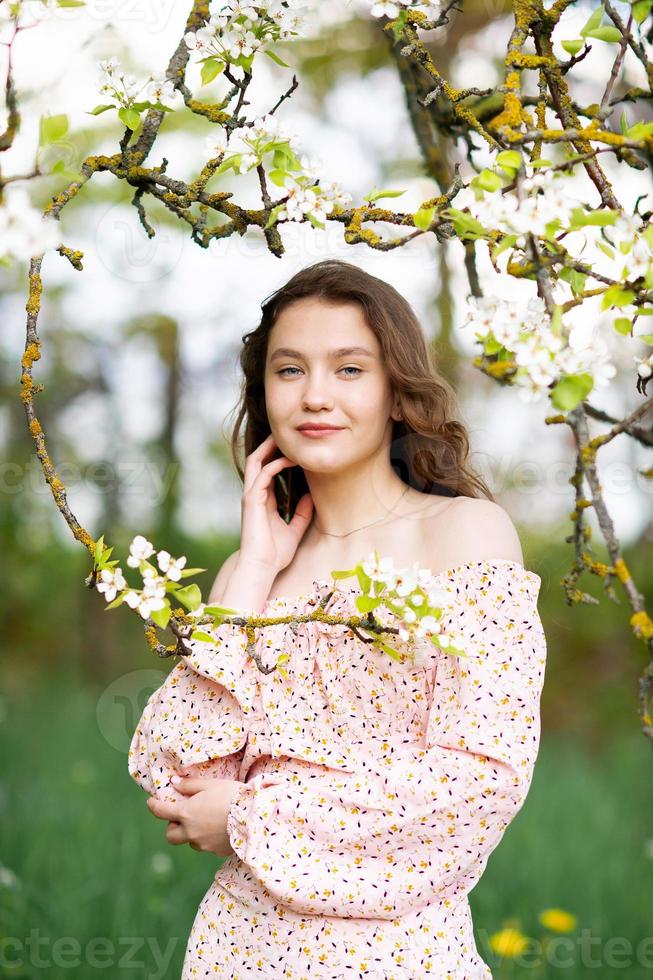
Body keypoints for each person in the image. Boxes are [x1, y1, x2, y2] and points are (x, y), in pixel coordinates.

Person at [128, 258, 547, 978]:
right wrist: (254, 567)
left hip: (394, 950)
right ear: (264, 392)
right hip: (238, 949)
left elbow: (481, 780)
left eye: (348, 369)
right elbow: (172, 773)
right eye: (289, 371)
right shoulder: (252, 573)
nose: (315, 395)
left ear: (394, 392)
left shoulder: (464, 535)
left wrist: (248, 818)